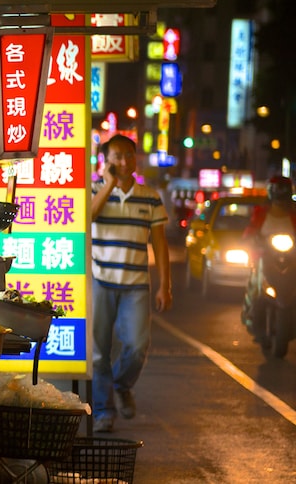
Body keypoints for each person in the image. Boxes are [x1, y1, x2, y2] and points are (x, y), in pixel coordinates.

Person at [89, 134, 171, 433]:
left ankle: (121, 385)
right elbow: (86, 218)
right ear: (107, 161)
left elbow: (160, 244)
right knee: (98, 351)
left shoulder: (150, 197)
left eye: (129, 155)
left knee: (138, 346)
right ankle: (103, 411)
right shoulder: (96, 190)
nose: (124, 162)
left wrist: (166, 285)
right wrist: (109, 184)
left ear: (136, 158)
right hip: (101, 282)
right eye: (117, 156)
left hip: (136, 284)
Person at [241, 175, 296, 344]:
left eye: (283, 191)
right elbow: (251, 230)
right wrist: (251, 239)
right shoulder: (262, 212)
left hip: (290, 258)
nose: (280, 195)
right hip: (265, 256)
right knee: (258, 286)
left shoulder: (294, 213)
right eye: (277, 190)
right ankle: (253, 318)